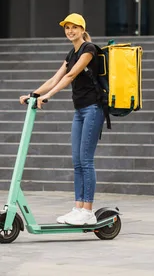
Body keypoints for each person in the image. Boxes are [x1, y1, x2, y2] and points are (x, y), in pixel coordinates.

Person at [19, 13, 105, 226]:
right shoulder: (72, 53)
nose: (70, 31)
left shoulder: (89, 49)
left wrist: (48, 96)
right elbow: (55, 78)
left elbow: (70, 77)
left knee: (86, 160)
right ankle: (78, 208)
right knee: (77, 162)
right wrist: (34, 94)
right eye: (67, 28)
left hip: (94, 109)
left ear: (82, 29)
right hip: (80, 112)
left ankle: (88, 211)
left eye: (74, 27)